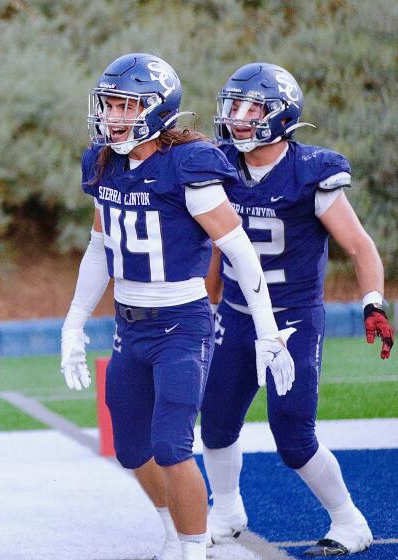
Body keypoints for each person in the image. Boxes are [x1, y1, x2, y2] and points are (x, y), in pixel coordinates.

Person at [60, 53, 296, 560]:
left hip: (182, 325)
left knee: (172, 445)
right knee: (131, 450)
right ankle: (175, 532)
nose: (113, 117)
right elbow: (101, 247)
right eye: (109, 105)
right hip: (128, 326)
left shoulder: (189, 164)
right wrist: (74, 323)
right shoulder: (103, 164)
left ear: (157, 108)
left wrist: (268, 331)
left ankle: (194, 549)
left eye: (126, 106)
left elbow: (238, 249)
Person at [201, 62, 394, 556]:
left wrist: (373, 302)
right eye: (234, 106)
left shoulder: (310, 172)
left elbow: (360, 246)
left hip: (291, 319)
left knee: (293, 436)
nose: (238, 118)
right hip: (240, 317)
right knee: (216, 421)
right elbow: (220, 245)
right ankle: (226, 511)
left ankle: (349, 522)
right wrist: (210, 299)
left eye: (252, 109)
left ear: (280, 116)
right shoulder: (221, 164)